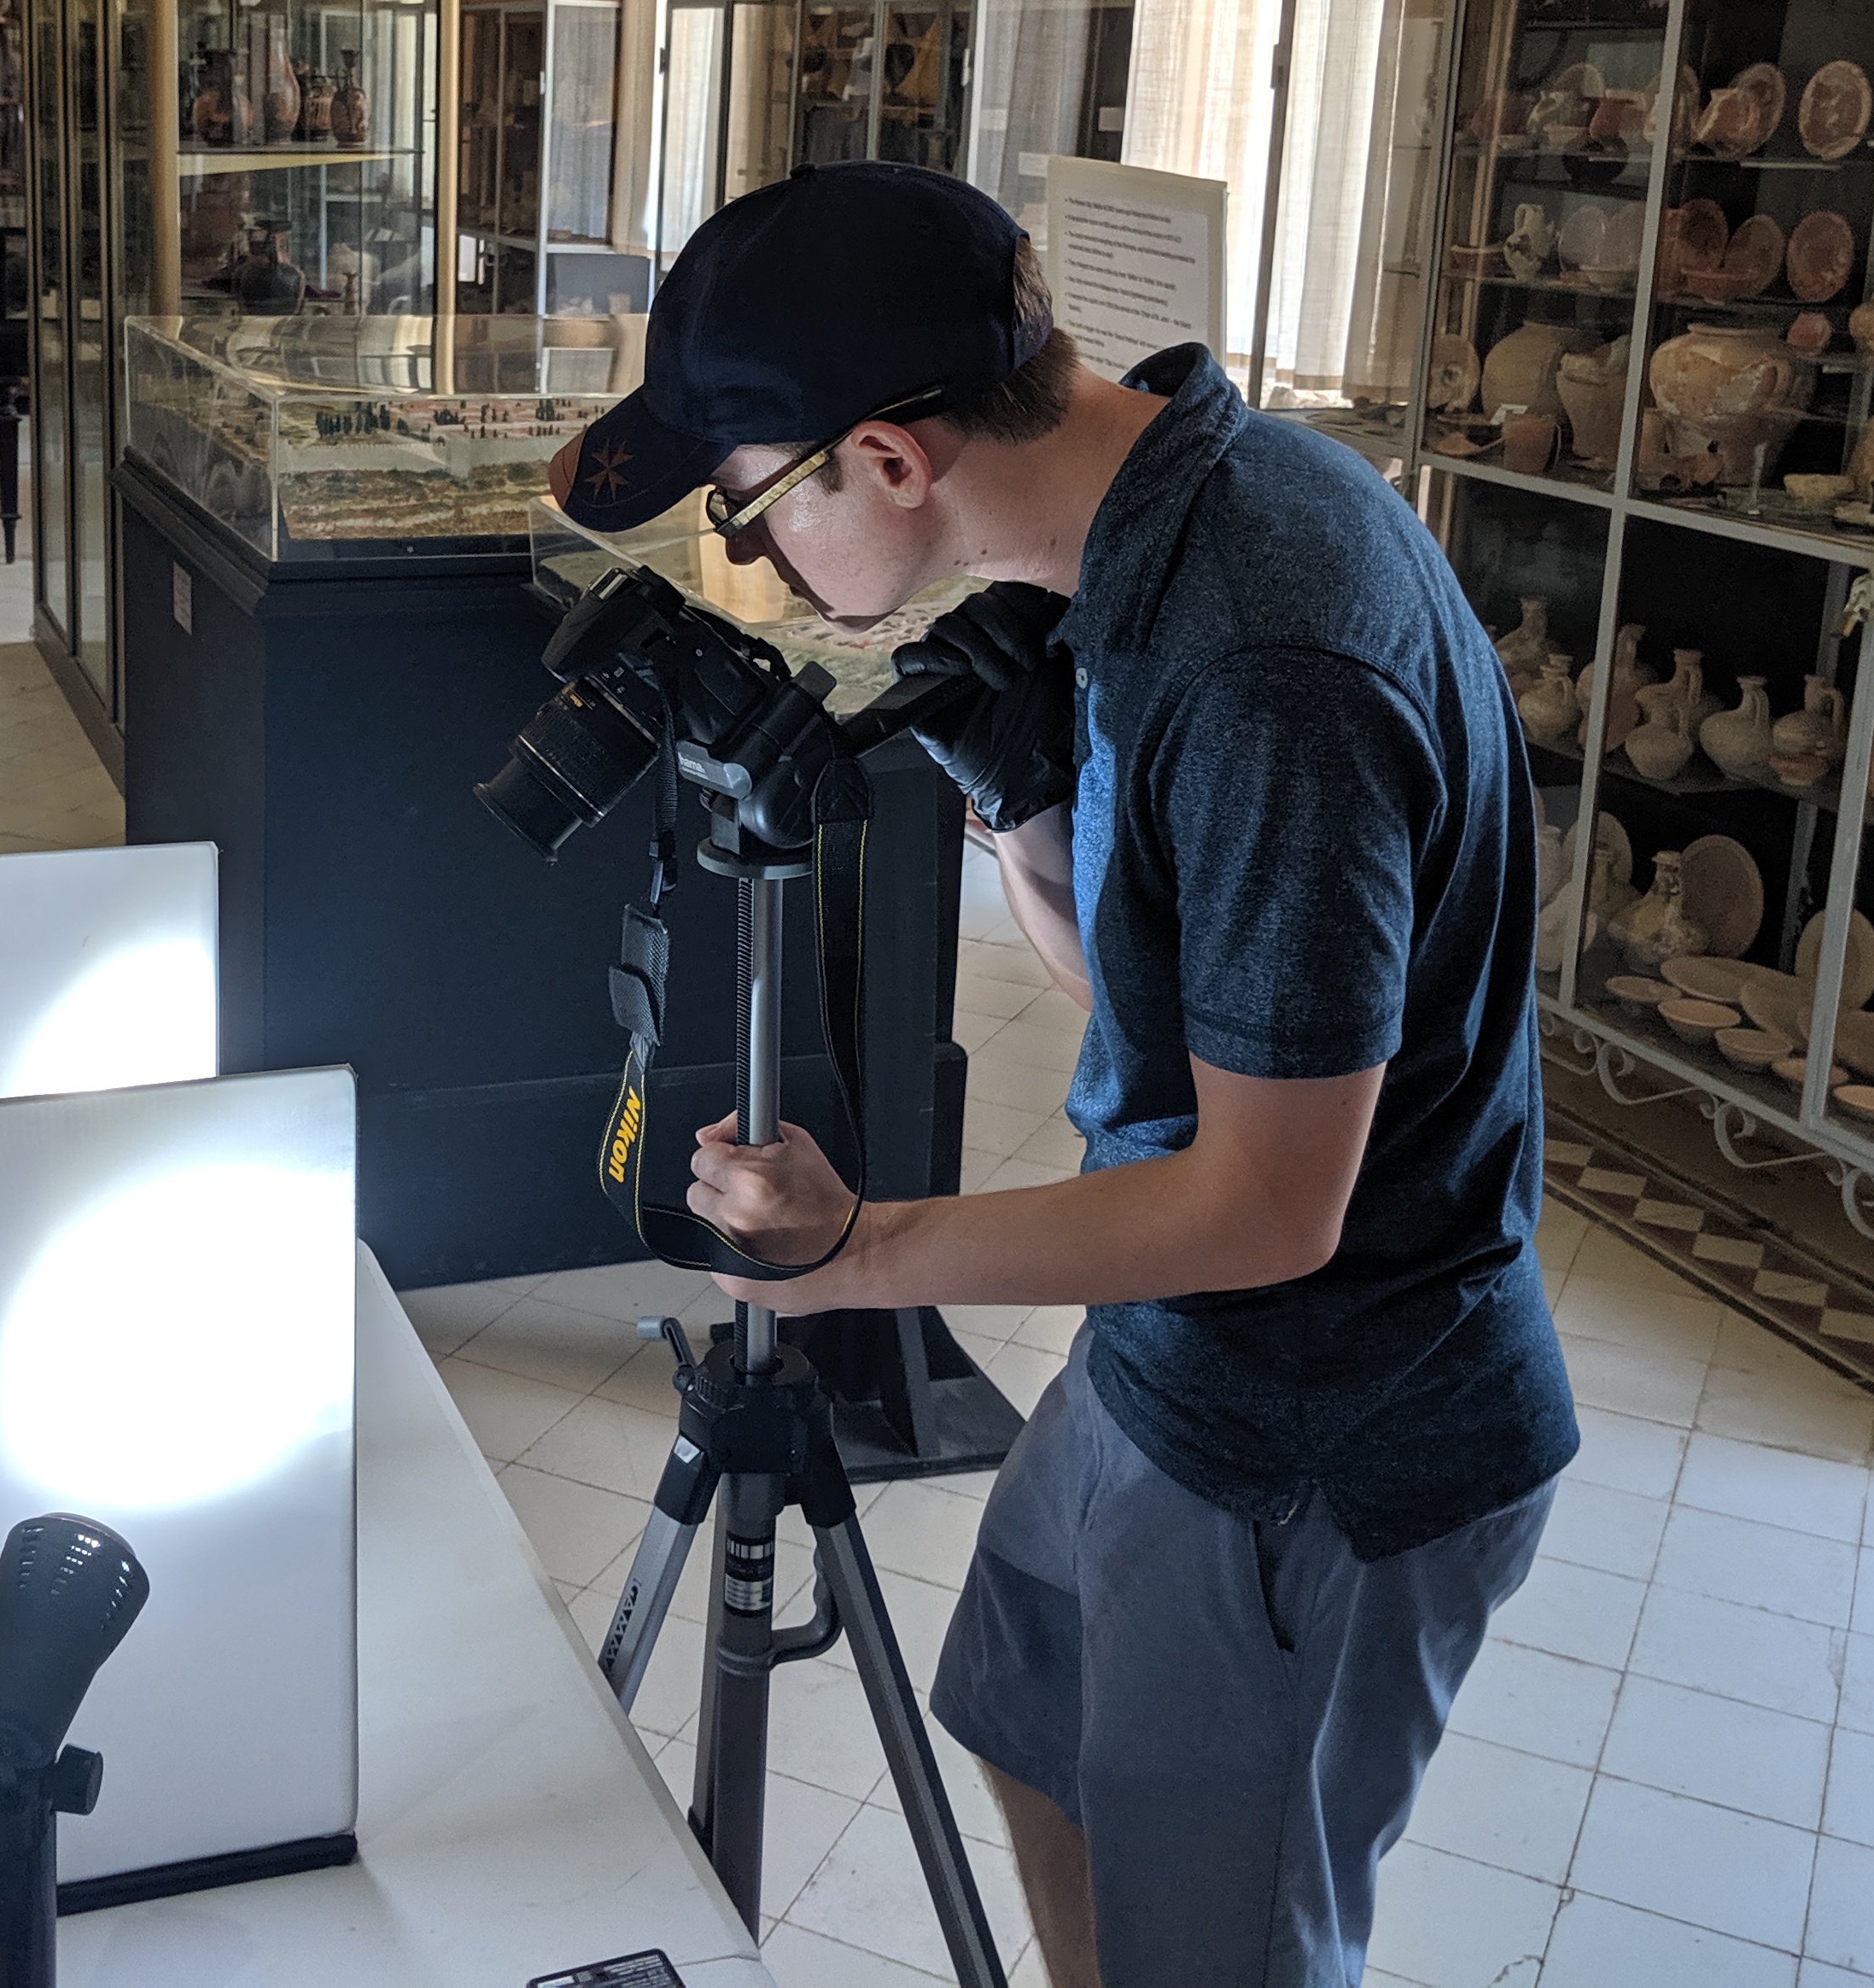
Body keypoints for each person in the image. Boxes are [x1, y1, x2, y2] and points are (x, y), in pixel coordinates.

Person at [546, 161, 1576, 1988]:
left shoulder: (1263, 652)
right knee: (1025, 1716)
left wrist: (856, 1253)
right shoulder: (1148, 525)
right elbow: (1170, 1020)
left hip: (1324, 1421)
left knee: (1226, 1944)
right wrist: (1028, 804)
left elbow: (1268, 1202)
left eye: (749, 507)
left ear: (887, 457)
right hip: (1178, 1358)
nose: (745, 561)